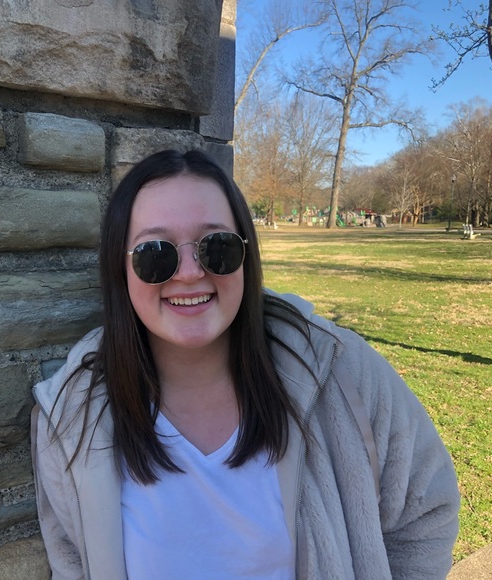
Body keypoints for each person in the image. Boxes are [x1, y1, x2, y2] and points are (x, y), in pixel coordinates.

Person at [32, 149, 460, 580]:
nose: (189, 273)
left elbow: (427, 508)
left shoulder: (341, 368)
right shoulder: (71, 417)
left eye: (216, 246)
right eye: (155, 253)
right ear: (120, 268)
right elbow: (73, 566)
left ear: (245, 254)